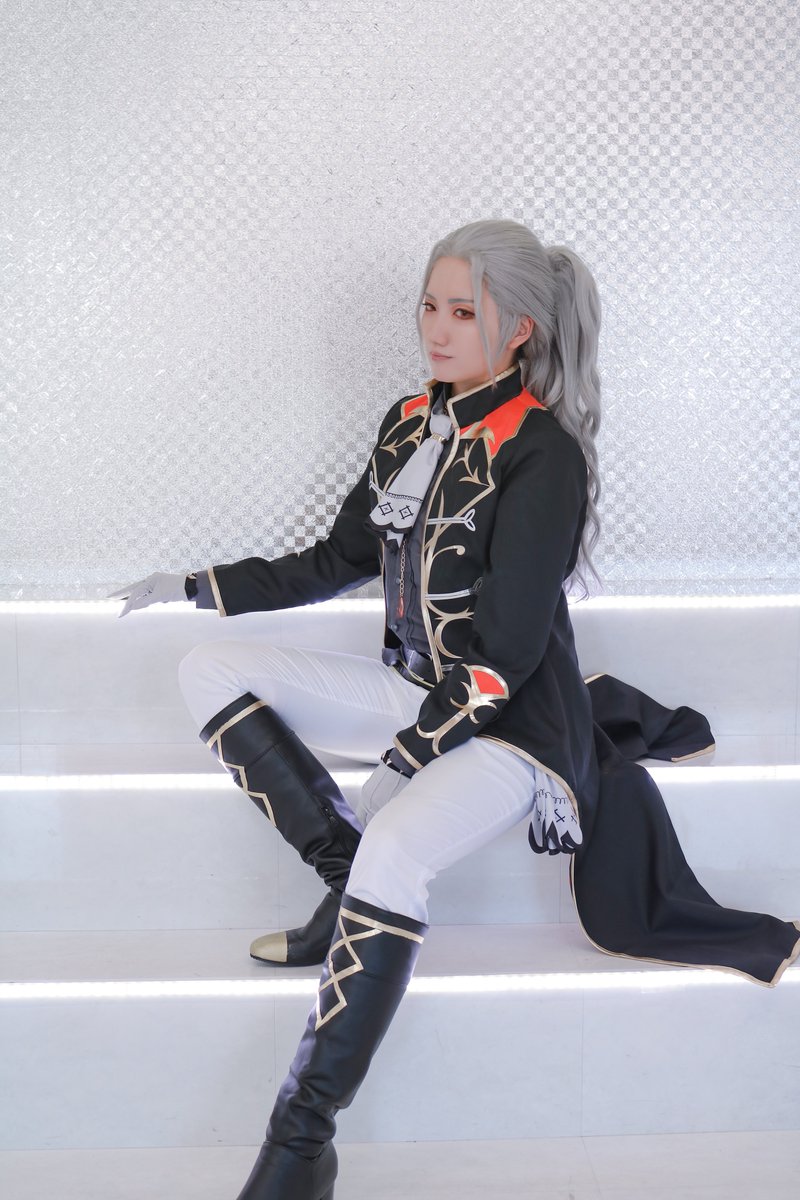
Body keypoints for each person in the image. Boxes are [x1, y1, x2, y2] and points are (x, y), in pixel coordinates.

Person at [108, 219, 800, 1200]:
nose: (436, 328)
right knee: (209, 669)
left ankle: (301, 1142)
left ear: (518, 329)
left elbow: (506, 655)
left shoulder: (543, 452)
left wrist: (405, 757)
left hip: (514, 728)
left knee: (397, 845)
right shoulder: (406, 422)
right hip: (420, 688)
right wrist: (195, 586)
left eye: (463, 312)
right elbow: (338, 560)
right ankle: (342, 882)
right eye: (430, 306)